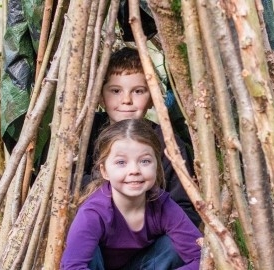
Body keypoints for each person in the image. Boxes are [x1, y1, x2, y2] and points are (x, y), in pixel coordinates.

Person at [82, 47, 201, 226]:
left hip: (149, 237)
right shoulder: (86, 132)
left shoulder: (168, 143)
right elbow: (67, 182)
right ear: (100, 96)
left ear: (153, 97)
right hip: (98, 231)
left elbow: (185, 208)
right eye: (116, 91)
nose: (126, 100)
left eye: (138, 91)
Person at [62, 119, 202, 269]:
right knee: (90, 252)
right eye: (121, 162)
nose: (134, 170)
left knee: (172, 246)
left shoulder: (163, 205)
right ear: (104, 171)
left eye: (145, 161)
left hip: (142, 265)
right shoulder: (93, 213)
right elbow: (72, 266)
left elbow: (200, 258)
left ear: (157, 165)